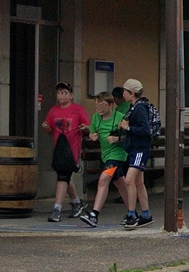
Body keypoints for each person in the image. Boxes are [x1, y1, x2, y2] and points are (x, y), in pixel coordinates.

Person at [82, 92, 131, 227]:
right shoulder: (96, 117)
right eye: (96, 104)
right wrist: (92, 136)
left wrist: (118, 139)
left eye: (102, 104)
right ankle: (132, 212)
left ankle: (94, 215)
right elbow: (92, 132)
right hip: (105, 155)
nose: (98, 108)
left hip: (117, 156)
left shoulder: (120, 118)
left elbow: (131, 135)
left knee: (104, 179)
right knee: (121, 183)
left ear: (110, 105)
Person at [41, 81, 89, 221]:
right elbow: (49, 128)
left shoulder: (78, 110)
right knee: (65, 176)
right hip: (59, 148)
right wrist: (46, 127)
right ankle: (76, 203)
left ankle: (57, 209)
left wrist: (83, 128)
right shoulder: (53, 111)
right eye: (59, 93)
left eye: (64, 93)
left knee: (62, 176)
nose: (61, 96)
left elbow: (88, 126)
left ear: (71, 95)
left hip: (72, 149)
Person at [117, 79, 155, 228]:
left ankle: (131, 214)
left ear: (132, 93)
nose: (123, 94)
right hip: (135, 148)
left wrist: (128, 128)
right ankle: (146, 214)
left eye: (125, 91)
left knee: (129, 180)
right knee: (139, 183)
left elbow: (144, 130)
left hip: (140, 148)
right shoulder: (134, 107)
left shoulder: (139, 108)